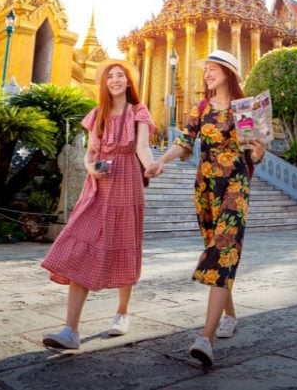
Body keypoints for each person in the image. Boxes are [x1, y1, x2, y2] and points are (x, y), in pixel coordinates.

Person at [147, 49, 265, 366]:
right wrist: (161, 161)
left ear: (229, 72)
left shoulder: (245, 109)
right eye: (206, 70)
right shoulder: (200, 109)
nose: (208, 74)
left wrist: (257, 149)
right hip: (205, 188)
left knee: (224, 249)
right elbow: (184, 142)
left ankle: (206, 338)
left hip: (236, 186)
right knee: (216, 249)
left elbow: (254, 154)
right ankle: (230, 316)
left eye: (213, 69)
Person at [41, 59, 156, 350]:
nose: (115, 80)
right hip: (98, 187)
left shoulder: (138, 112)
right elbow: (90, 153)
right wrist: (91, 168)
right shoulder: (97, 115)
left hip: (127, 183)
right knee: (80, 245)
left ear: (129, 82)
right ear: (104, 83)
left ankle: (122, 313)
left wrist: (153, 166)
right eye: (110, 77)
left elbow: (142, 147)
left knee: (124, 244)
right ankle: (70, 330)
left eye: (121, 76)